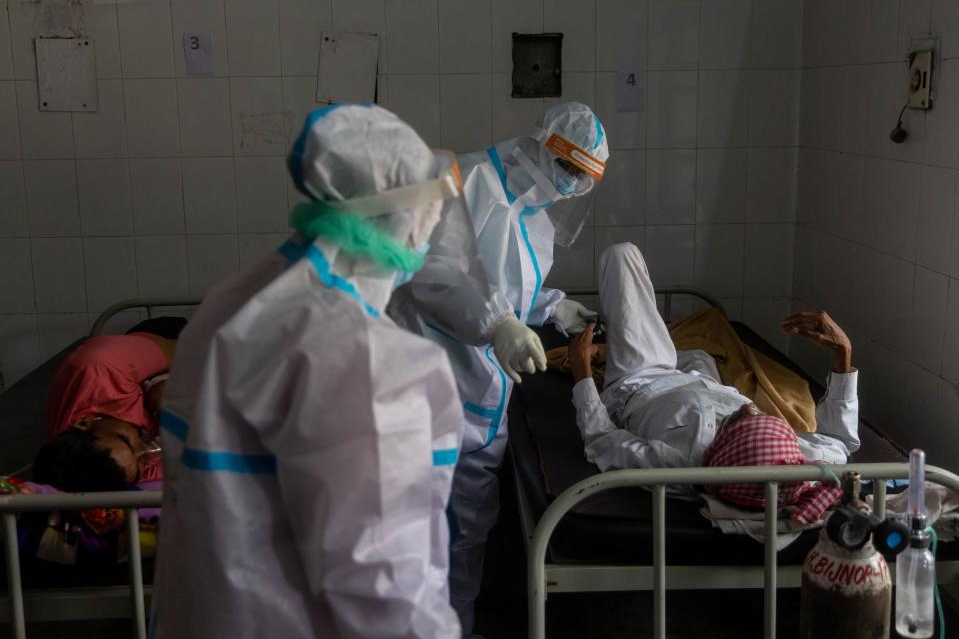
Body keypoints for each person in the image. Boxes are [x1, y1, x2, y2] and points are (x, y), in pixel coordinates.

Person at [151, 104, 478, 638]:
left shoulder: (233, 304)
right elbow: (382, 584)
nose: (434, 224)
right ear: (396, 211)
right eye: (430, 207)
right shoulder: (356, 355)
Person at [388, 101, 610, 633]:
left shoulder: (533, 213)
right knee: (418, 528)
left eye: (583, 181)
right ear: (542, 146)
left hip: (483, 396)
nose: (572, 187)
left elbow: (513, 286)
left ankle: (455, 626)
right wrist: (497, 324)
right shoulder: (466, 183)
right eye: (570, 172)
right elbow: (435, 276)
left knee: (468, 529)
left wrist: (550, 306)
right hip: (429, 384)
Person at [567, 242, 860, 479]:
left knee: (622, 255)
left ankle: (625, 336)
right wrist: (843, 354)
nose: (752, 406)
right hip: (703, 377)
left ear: (728, 448)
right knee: (701, 352)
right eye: (764, 418)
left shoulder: (679, 459)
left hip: (643, 379)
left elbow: (601, 440)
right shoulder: (784, 456)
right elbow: (840, 445)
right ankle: (653, 336)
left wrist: (582, 374)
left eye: (751, 422)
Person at [32, 318, 185, 491]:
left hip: (165, 343)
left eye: (126, 440)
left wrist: (174, 385)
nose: (143, 449)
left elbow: (190, 350)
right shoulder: (121, 472)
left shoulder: (100, 369)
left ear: (84, 422)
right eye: (141, 463)